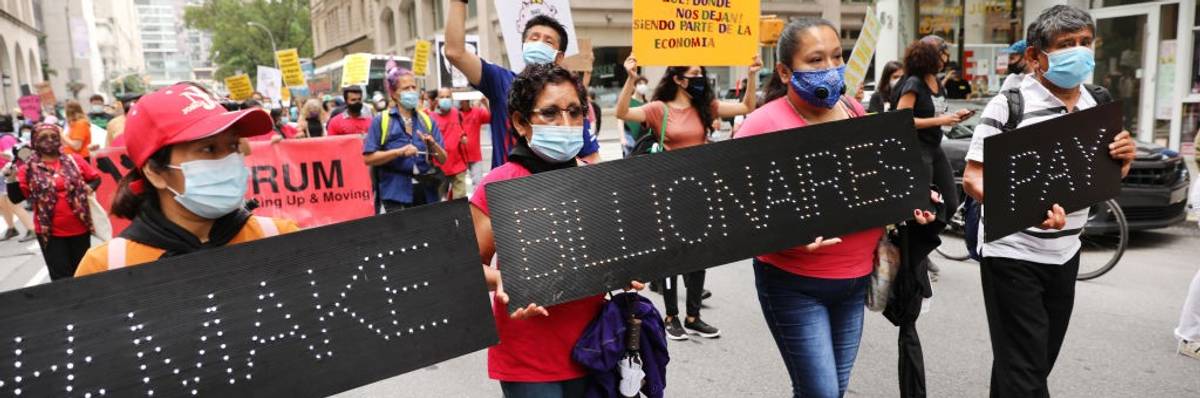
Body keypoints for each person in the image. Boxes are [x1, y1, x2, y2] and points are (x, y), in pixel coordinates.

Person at [732, 19, 938, 398]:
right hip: (793, 286)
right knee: (822, 393)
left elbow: (869, 183)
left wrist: (910, 200)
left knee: (833, 390)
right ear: (784, 71)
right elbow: (734, 210)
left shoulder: (853, 109)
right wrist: (783, 235)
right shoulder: (761, 125)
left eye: (836, 56)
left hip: (856, 280)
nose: (830, 67)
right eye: (815, 59)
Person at [961, 6, 1136, 396]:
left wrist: (1124, 158)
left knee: (1030, 360)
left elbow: (1106, 176)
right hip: (1013, 253)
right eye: (1065, 45)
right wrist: (1028, 210)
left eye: (1085, 43)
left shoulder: (1099, 103)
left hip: (1065, 253)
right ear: (1035, 57)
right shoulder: (1009, 104)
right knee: (1025, 369)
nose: (1079, 52)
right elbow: (974, 178)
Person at [469, 62, 642, 398]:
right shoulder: (498, 186)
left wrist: (625, 271)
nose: (566, 124)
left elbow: (608, 253)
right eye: (549, 113)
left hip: (595, 347)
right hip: (529, 358)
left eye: (575, 112)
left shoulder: (597, 180)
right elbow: (465, 268)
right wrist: (502, 280)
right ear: (521, 122)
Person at [74, 82, 299, 276]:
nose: (228, 159)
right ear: (155, 172)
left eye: (232, 145)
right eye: (209, 149)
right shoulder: (106, 266)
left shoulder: (281, 238)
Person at [616, 53, 762, 341]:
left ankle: (693, 316)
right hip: (667, 192)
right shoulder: (659, 109)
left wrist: (753, 74)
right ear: (678, 79)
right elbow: (622, 113)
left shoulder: (706, 107)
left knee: (699, 255)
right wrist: (631, 80)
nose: (699, 79)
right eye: (693, 74)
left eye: (700, 74)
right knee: (673, 257)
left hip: (701, 191)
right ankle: (671, 317)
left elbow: (747, 106)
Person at [445, 2, 601, 168]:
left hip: (557, 190)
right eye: (534, 38)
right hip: (508, 189)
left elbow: (592, 159)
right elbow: (455, 52)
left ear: (559, 57)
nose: (539, 43)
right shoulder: (500, 80)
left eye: (548, 42)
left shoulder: (570, 103)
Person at [894, 36, 970, 225]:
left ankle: (923, 244)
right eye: (943, 55)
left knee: (951, 203)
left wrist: (954, 116)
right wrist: (941, 120)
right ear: (931, 56)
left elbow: (937, 113)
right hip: (918, 150)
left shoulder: (937, 82)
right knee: (922, 206)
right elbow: (901, 120)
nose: (946, 60)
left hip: (935, 147)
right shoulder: (914, 83)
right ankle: (914, 251)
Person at [17, 123, 101, 280]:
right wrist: (10, 177)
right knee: (61, 279)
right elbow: (17, 197)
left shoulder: (74, 160)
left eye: (53, 137)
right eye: (43, 137)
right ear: (35, 141)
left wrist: (89, 188)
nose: (49, 140)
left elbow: (95, 179)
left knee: (83, 274)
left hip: (79, 228)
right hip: (49, 232)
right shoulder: (28, 168)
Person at [363, 63, 448, 213]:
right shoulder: (381, 120)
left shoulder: (427, 120)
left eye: (414, 87)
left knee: (428, 235)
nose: (412, 92)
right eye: (406, 88)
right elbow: (368, 159)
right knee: (404, 235)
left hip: (426, 192)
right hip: (395, 193)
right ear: (394, 94)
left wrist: (433, 144)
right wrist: (399, 152)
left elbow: (443, 159)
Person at [429, 88, 470, 199]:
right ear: (437, 99)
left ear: (451, 99)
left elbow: (461, 131)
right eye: (442, 97)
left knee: (460, 200)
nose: (445, 99)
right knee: (440, 201)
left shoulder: (457, 113)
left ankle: (458, 216)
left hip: (458, 164)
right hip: (440, 167)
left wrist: (463, 136)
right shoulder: (431, 117)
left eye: (448, 97)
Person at [0, 128, 35, 242]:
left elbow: (12, 157)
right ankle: (11, 228)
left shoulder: (6, 138)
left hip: (8, 173)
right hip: (2, 173)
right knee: (3, 203)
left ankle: (31, 228)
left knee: (13, 203)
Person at [460, 97, 490, 188]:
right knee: (457, 185)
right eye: (462, 100)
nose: (463, 102)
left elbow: (489, 118)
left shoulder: (477, 112)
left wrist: (485, 104)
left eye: (465, 100)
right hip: (459, 156)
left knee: (478, 185)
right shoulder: (456, 114)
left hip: (475, 155)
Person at [621, 76, 650, 156]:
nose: (643, 86)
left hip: (642, 139)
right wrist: (622, 138)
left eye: (645, 84)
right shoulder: (628, 101)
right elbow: (620, 120)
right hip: (629, 138)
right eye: (640, 83)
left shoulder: (647, 104)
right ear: (634, 86)